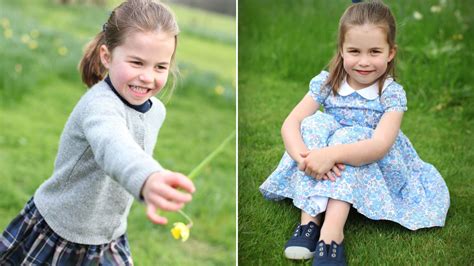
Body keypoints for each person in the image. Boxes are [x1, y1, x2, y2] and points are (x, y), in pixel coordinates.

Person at [0, 0, 195, 264]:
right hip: (60, 232)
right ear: (107, 56)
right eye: (137, 62)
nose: (148, 77)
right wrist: (147, 178)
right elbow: (113, 146)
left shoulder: (156, 111)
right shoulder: (99, 105)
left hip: (108, 236)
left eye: (160, 66)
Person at [259, 1, 450, 265]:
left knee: (351, 136)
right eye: (354, 51)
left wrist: (331, 154)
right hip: (321, 155)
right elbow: (291, 124)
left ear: (390, 52)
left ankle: (331, 233)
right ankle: (310, 221)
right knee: (313, 124)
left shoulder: (390, 93)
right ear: (341, 50)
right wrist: (307, 159)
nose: (363, 61)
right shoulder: (327, 83)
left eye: (374, 52)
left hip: (371, 159)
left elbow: (379, 145)